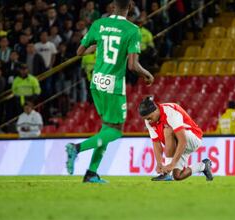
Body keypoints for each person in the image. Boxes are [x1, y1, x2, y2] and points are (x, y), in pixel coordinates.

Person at [65, 0, 154, 183]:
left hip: (96, 82)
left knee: (107, 128)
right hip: (113, 85)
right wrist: (147, 74)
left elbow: (80, 52)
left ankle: (91, 173)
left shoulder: (99, 24)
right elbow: (132, 65)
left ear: (112, 6)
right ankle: (76, 148)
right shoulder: (132, 30)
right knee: (116, 131)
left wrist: (99, 45)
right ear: (130, 7)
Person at [139, 96, 213, 181]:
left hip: (193, 138)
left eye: (149, 118)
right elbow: (156, 143)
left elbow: (183, 141)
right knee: (177, 176)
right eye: (145, 119)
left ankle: (167, 174)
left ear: (155, 110)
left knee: (168, 130)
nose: (148, 121)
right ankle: (203, 166)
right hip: (178, 144)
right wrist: (159, 163)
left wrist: (172, 164)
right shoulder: (148, 120)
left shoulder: (170, 112)